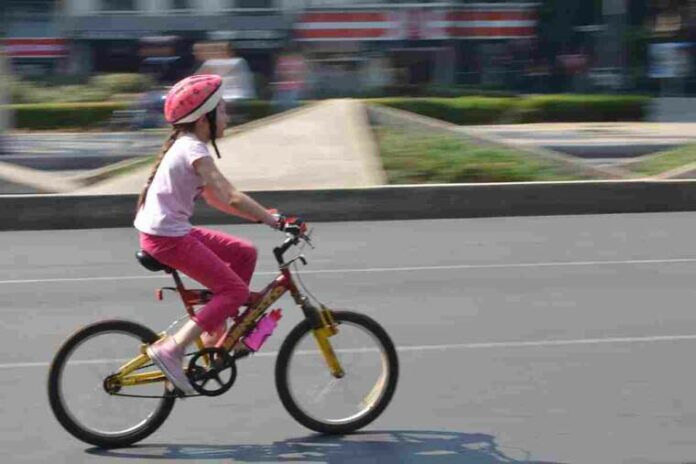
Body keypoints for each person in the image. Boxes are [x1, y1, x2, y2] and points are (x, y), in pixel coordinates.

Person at [134, 74, 294, 395]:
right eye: (221, 110)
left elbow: (215, 198)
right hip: (167, 239)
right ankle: (172, 349)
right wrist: (273, 222)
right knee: (234, 291)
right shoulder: (193, 149)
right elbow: (230, 195)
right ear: (202, 119)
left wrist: (263, 217)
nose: (226, 116)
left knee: (244, 252)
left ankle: (215, 335)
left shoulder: (188, 145)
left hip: (168, 232)